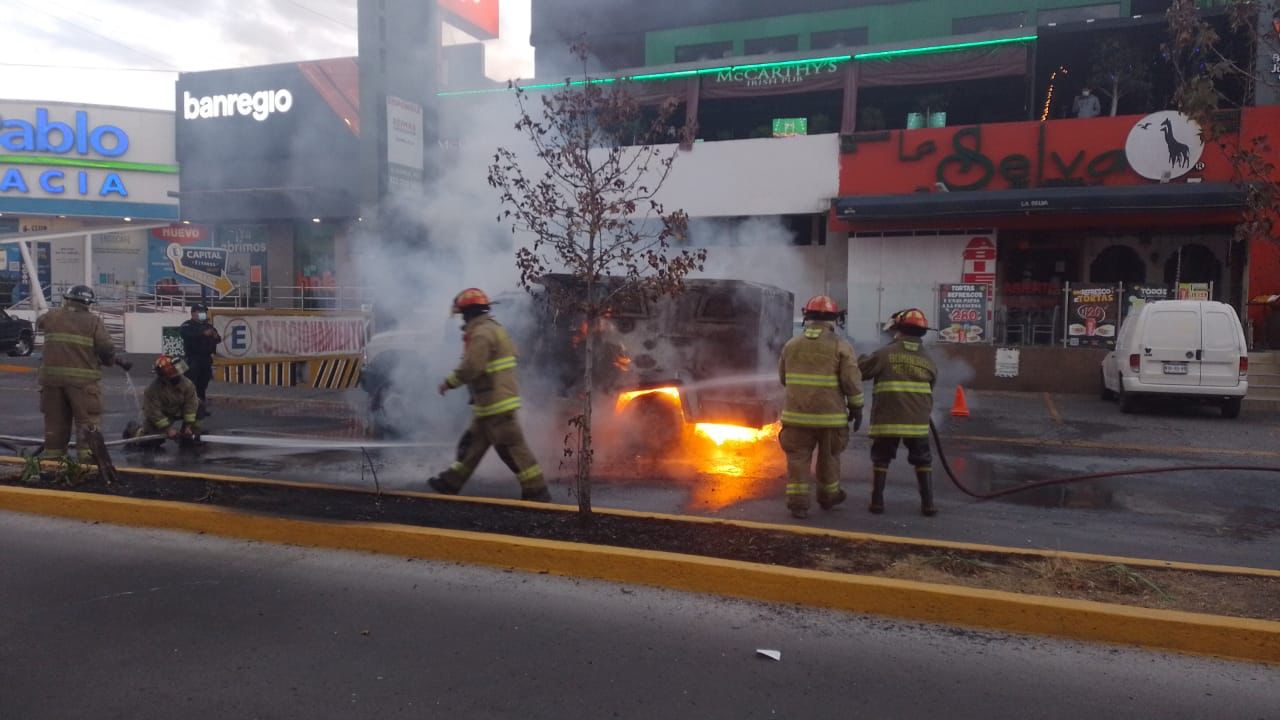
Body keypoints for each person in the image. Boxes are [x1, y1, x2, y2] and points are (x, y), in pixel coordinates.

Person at [427, 288, 551, 502]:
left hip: (497, 403)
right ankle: (450, 482)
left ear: (469, 313)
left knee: (511, 448)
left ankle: (537, 491)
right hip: (489, 402)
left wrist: (449, 383)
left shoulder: (482, 333)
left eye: (463, 314)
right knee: (472, 445)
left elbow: (471, 367)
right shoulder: (492, 329)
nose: (461, 320)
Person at [777, 295, 865, 520]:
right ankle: (828, 497)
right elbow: (851, 382)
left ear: (807, 316)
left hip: (796, 417)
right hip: (830, 418)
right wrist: (856, 408)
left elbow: (783, 378)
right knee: (829, 459)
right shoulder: (840, 346)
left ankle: (798, 505)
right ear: (833, 319)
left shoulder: (791, 345)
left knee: (797, 461)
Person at [858, 309, 939, 517]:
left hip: (888, 419)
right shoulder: (929, 359)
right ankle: (928, 504)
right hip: (918, 422)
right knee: (923, 460)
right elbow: (932, 385)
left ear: (898, 330)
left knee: (881, 458)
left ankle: (877, 502)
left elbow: (861, 370)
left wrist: (860, 358)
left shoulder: (885, 354)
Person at [36, 285, 129, 460]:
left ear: (67, 299)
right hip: (83, 384)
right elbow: (106, 347)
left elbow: (40, 322)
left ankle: (52, 463)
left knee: (54, 423)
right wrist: (109, 361)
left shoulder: (51, 317)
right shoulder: (93, 321)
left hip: (51, 383)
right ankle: (87, 463)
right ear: (88, 303)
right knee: (87, 422)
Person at [122, 355, 201, 450]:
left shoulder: (187, 384)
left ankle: (188, 436)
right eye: (175, 371)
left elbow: (191, 404)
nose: (179, 375)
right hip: (162, 415)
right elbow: (153, 413)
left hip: (178, 410)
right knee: (149, 443)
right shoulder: (152, 390)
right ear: (165, 375)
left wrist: (188, 426)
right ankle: (133, 430)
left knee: (200, 405)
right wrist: (168, 429)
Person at [179, 303, 220, 418]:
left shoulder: (208, 326)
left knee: (202, 385)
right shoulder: (187, 325)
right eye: (200, 311)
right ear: (193, 313)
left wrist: (215, 336)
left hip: (206, 359)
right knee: (191, 386)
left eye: (204, 312)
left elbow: (218, 338)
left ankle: (200, 408)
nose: (203, 314)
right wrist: (202, 333)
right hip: (193, 359)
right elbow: (185, 334)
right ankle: (189, 409)